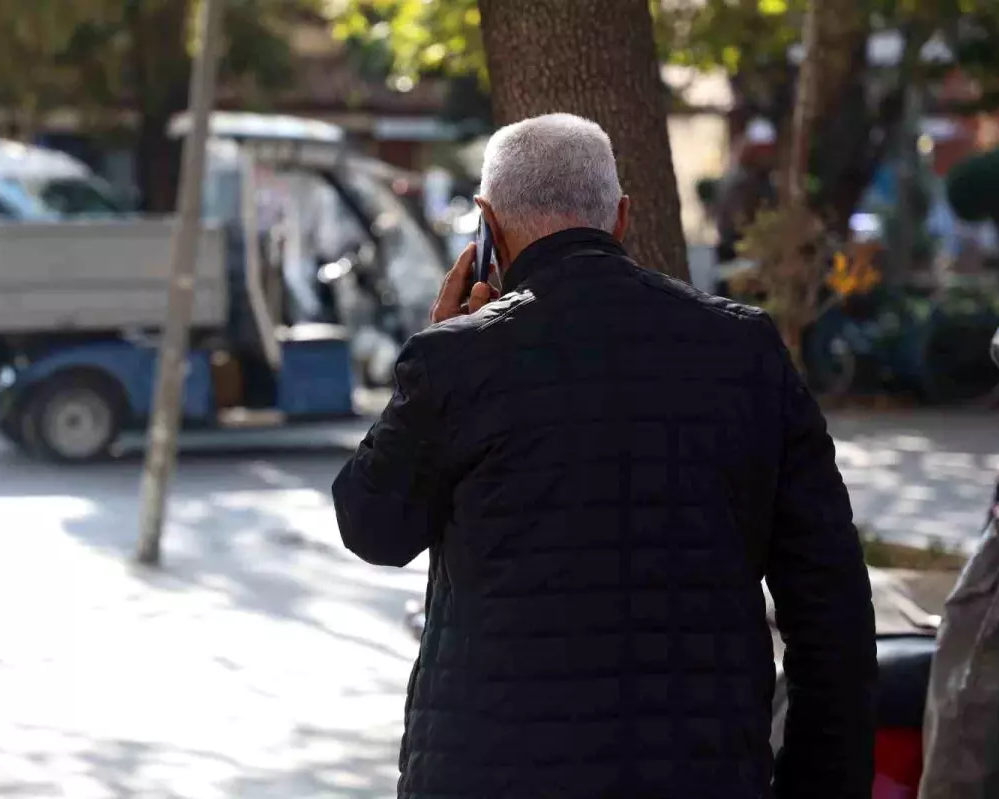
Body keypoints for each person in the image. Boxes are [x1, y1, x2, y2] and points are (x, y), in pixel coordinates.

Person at [331, 113, 877, 799]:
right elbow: (830, 604)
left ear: (486, 227)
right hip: (702, 772)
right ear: (620, 217)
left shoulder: (459, 360)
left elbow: (372, 526)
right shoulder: (745, 351)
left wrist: (441, 343)